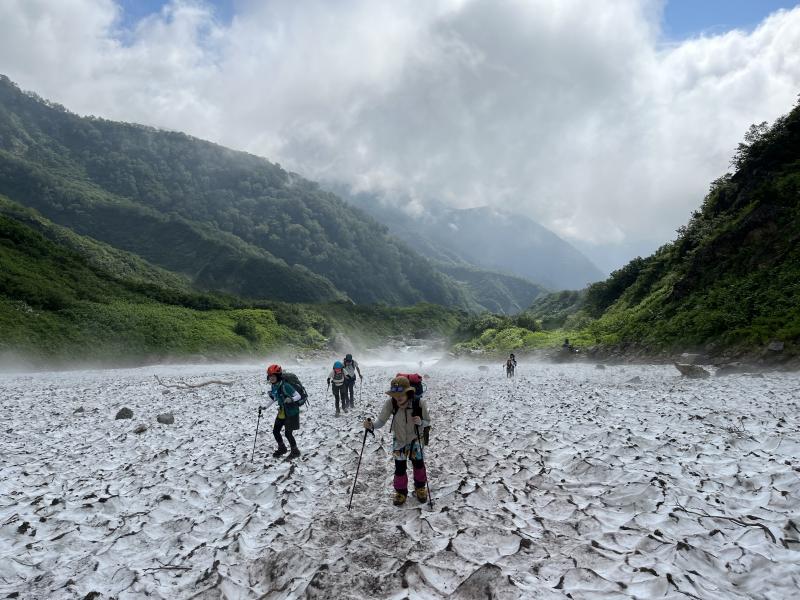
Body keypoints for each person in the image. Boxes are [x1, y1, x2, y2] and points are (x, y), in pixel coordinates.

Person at [363, 376, 431, 506]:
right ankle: (400, 492)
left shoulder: (419, 403)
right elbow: (381, 421)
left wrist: (421, 422)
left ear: (408, 392)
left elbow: (428, 422)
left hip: (416, 440)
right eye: (395, 394)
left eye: (401, 394)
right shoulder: (391, 403)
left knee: (418, 465)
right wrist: (371, 425)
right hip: (399, 441)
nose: (398, 397)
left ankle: (420, 488)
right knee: (399, 469)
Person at [266, 364, 302, 459]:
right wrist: (265, 407)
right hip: (282, 411)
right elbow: (274, 398)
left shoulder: (286, 386)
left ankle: (295, 451)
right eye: (270, 376)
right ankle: (282, 448)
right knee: (275, 431)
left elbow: (298, 396)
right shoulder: (274, 386)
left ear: (278, 376)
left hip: (291, 411)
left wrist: (291, 399)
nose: (271, 378)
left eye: (273, 376)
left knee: (288, 433)